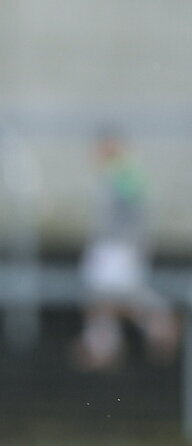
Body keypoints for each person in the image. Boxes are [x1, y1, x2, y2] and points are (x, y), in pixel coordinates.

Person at [74, 128, 179, 371]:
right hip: (111, 248)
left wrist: (130, 247)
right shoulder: (114, 175)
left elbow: (132, 218)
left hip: (117, 248)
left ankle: (157, 323)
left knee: (112, 295)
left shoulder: (125, 175)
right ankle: (105, 341)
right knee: (102, 297)